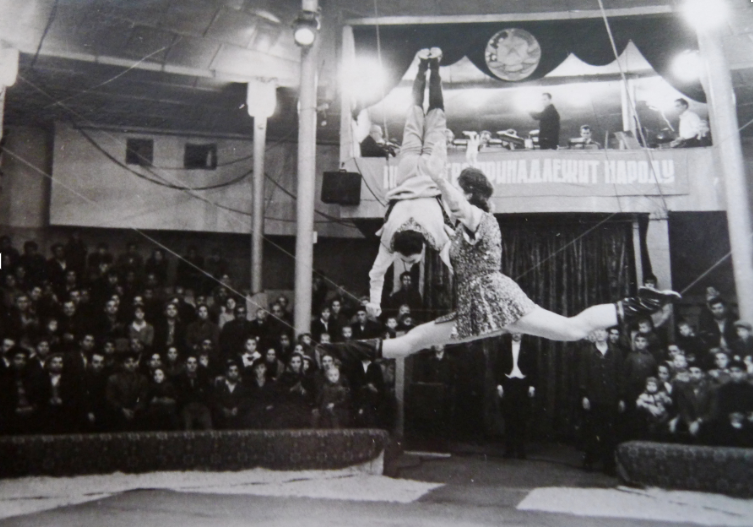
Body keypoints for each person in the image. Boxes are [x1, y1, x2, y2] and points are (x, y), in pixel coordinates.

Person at [317, 149, 681, 366]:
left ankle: (643, 302)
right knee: (412, 342)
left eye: (459, 192)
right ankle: (334, 350)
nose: (451, 198)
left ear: (467, 195)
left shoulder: (475, 217)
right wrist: (467, 163)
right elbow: (464, 203)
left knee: (573, 330)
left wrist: (439, 179)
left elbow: (459, 205)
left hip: (491, 302)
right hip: (483, 308)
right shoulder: (474, 222)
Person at [366, 48, 454, 319]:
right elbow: (375, 274)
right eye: (411, 261)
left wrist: (375, 303)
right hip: (407, 172)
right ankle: (422, 66)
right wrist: (374, 303)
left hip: (430, 173)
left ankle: (434, 65)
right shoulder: (389, 239)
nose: (409, 264)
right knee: (414, 116)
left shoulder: (436, 238)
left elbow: (456, 265)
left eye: (409, 260)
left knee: (436, 114)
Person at [577, 329, 625, 474]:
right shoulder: (587, 352)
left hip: (610, 398)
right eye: (597, 331)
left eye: (603, 331)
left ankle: (608, 464)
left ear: (607, 334)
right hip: (593, 397)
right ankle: (589, 460)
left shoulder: (616, 353)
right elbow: (582, 374)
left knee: (609, 432)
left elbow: (620, 376)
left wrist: (621, 398)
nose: (599, 334)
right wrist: (584, 396)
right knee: (591, 429)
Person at [495, 333, 537, 459]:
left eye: (519, 332)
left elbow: (534, 367)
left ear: (523, 333)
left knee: (522, 418)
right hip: (508, 384)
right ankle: (509, 449)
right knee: (508, 417)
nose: (517, 334)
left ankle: (520, 450)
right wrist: (499, 385)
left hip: (523, 384)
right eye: (514, 331)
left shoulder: (529, 347)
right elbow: (498, 366)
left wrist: (532, 385)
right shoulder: (504, 346)